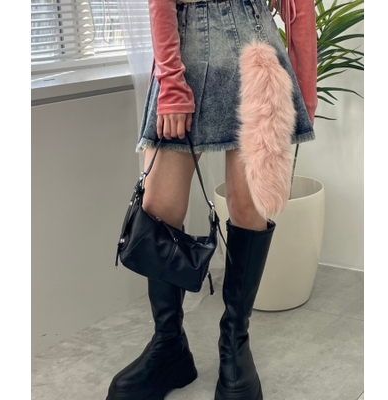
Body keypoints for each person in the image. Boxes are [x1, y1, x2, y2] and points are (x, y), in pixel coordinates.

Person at [106, 0, 317, 399]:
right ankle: (168, 345)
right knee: (158, 209)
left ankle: (235, 343)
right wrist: (171, 84)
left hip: (256, 47)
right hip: (184, 48)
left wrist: (305, 90)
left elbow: (300, 7)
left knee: (248, 206)